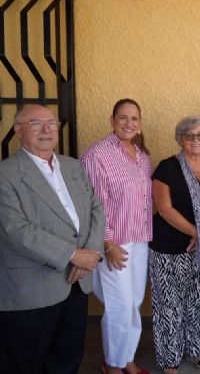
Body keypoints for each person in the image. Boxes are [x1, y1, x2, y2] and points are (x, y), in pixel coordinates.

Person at [0, 105, 105, 373]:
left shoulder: (73, 166)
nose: (47, 129)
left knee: (68, 357)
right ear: (18, 129)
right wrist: (72, 254)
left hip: (76, 282)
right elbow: (15, 229)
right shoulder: (6, 174)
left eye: (52, 123)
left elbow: (96, 207)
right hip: (31, 288)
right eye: (36, 123)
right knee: (25, 362)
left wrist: (89, 255)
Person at [150, 116, 200, 374]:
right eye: (189, 136)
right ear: (180, 139)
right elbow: (164, 209)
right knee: (169, 304)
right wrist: (198, 233)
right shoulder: (167, 168)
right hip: (170, 248)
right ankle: (169, 356)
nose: (195, 140)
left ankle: (198, 350)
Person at [80, 98, 153, 374]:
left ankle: (127, 360)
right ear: (112, 120)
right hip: (114, 242)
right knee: (119, 305)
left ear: (140, 123)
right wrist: (108, 243)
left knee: (133, 302)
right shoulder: (96, 155)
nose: (129, 123)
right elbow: (96, 204)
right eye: (123, 118)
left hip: (140, 239)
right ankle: (112, 364)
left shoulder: (142, 155)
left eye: (134, 118)